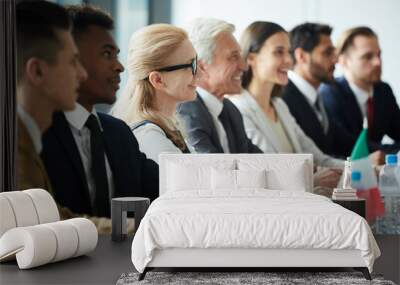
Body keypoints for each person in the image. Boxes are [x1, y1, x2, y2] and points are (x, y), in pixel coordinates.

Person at [41, 5, 159, 229]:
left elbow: (162, 185)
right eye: (106, 54)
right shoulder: (39, 132)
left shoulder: (118, 132)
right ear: (71, 58)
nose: (120, 67)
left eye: (117, 55)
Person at [229, 21, 342, 189]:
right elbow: (269, 173)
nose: (289, 60)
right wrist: (312, 181)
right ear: (252, 58)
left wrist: (363, 169)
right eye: (278, 52)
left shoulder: (279, 106)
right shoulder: (239, 109)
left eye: (288, 52)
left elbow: (317, 158)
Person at [16, 1, 87, 191]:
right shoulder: (13, 151)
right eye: (73, 62)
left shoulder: (26, 137)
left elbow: (52, 215)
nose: (82, 74)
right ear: (37, 71)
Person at [111, 24, 198, 163]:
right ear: (158, 80)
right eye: (191, 65)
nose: (198, 73)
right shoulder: (150, 138)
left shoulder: (166, 127)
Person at [177, 18, 262, 154]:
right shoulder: (186, 113)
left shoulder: (230, 109)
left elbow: (257, 159)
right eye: (234, 57)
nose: (244, 66)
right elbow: (211, 171)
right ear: (201, 67)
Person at [320, 26, 400, 155]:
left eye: (378, 54)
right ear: (343, 61)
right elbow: (347, 147)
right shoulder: (330, 93)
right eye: (367, 57)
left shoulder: (383, 91)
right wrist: (388, 151)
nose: (377, 62)